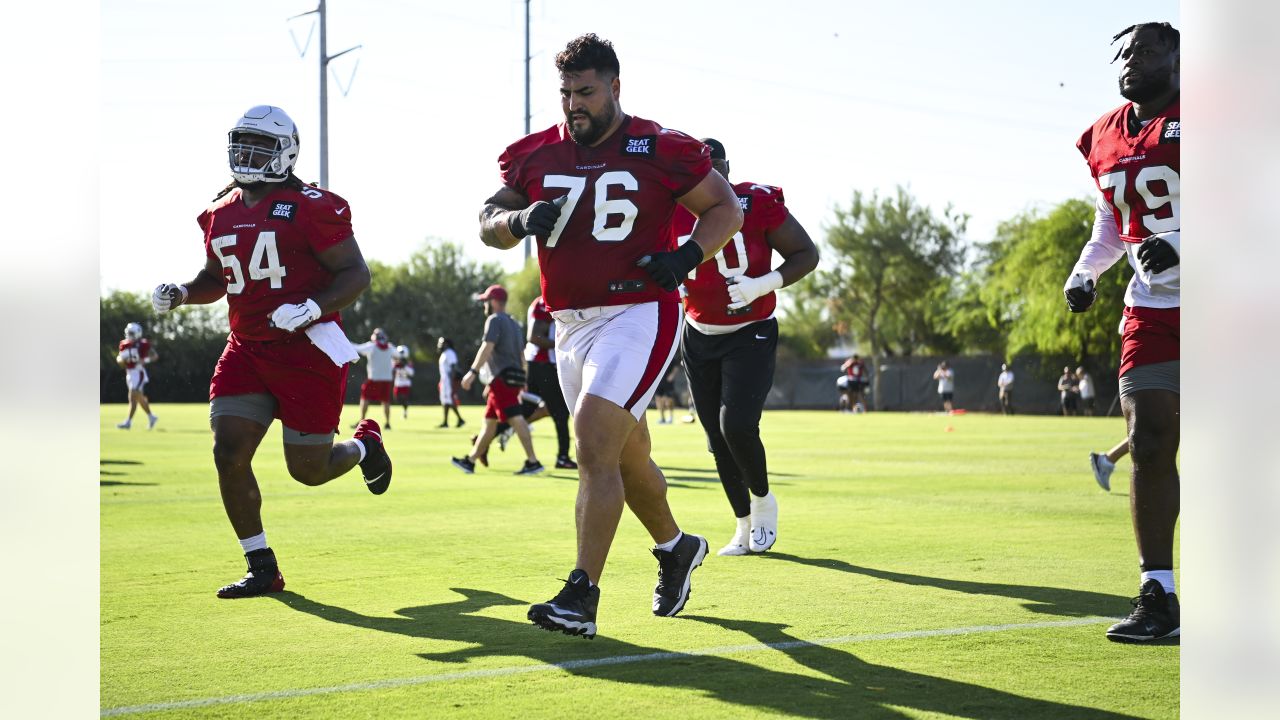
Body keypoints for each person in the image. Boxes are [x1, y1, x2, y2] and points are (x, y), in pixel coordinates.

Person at [479, 33, 742, 638]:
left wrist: (686, 258)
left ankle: (581, 596)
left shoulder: (660, 146)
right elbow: (487, 222)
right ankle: (676, 547)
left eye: (586, 92)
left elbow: (725, 208)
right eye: (566, 92)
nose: (574, 104)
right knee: (625, 457)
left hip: (640, 312)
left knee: (593, 440)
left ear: (615, 87)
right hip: (569, 324)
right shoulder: (535, 154)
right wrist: (516, 220)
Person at [149, 104, 392, 599]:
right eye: (242, 143)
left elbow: (355, 274)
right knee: (228, 452)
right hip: (246, 350)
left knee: (308, 470)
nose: (246, 154)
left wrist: (311, 307)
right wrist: (182, 292)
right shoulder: (219, 211)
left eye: (259, 145)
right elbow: (216, 280)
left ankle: (366, 445)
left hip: (306, 352)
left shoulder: (313, 205)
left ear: (286, 152)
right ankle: (261, 566)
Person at [1063, 22, 1180, 642]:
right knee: (1151, 442)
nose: (1133, 60)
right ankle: (1157, 594)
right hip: (1152, 308)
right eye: (1127, 52)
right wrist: (1086, 272)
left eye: (1150, 49)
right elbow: (1113, 217)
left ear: (1182, 58)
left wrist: (1185, 244)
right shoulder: (1105, 133)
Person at [673, 137, 819, 557]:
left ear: (727, 166)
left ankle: (763, 502)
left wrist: (762, 284)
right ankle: (742, 523)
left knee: (735, 425)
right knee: (715, 439)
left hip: (750, 331)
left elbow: (806, 253)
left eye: (714, 165)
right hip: (698, 333)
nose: (708, 175)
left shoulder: (756, 202)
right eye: (698, 169)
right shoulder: (670, 211)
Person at [450, 285, 544, 476]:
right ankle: (470, 460)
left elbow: (487, 347)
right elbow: (521, 356)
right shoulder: (514, 324)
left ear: (493, 302)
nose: (484, 304)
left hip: (502, 379)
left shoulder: (494, 320)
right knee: (489, 423)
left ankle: (533, 462)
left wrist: (472, 372)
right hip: (510, 378)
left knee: (516, 419)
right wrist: (523, 380)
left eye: (486, 300)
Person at [524, 294, 576, 468]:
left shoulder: (544, 300)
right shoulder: (545, 301)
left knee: (527, 409)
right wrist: (563, 345)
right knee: (560, 412)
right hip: (543, 364)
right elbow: (534, 337)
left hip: (541, 363)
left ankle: (483, 440)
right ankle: (562, 457)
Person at [116, 322, 160, 430]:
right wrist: (120, 360)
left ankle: (128, 422)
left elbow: (155, 356)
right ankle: (151, 417)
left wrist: (144, 360)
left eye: (131, 333)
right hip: (129, 373)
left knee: (133, 395)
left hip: (139, 372)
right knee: (135, 399)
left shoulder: (143, 344)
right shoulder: (124, 344)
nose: (129, 335)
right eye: (128, 332)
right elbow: (119, 358)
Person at [352, 328, 395, 430]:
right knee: (386, 401)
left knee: (365, 397)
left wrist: (346, 342)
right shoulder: (390, 347)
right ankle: (387, 423)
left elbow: (358, 348)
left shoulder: (372, 346)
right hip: (386, 379)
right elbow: (399, 355)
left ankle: (361, 420)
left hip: (374, 378)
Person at [436, 337, 465, 428]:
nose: (440, 345)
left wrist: (453, 381)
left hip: (449, 380)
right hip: (444, 380)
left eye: (442, 343)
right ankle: (445, 422)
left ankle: (460, 419)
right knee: (445, 401)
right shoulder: (444, 354)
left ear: (446, 344)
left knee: (449, 400)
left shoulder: (450, 353)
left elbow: (453, 367)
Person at [392, 344, 414, 419]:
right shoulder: (395, 362)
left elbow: (411, 373)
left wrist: (404, 366)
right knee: (397, 398)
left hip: (405, 383)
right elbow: (392, 369)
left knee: (404, 398)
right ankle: (405, 407)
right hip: (398, 383)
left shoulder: (408, 363)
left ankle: (405, 411)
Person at [653, 360, 678, 424]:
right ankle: (662, 418)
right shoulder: (656, 355)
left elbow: (676, 366)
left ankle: (671, 417)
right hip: (658, 382)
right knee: (658, 400)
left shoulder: (672, 356)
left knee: (669, 401)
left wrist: (672, 376)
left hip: (668, 382)